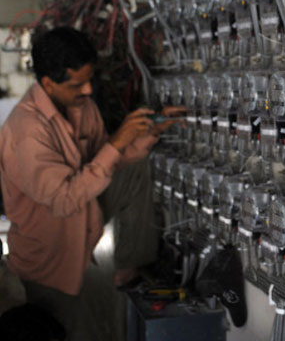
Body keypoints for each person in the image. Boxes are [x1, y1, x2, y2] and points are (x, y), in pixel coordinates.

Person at [0, 27, 182, 340]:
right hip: (49, 255)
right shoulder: (26, 131)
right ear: (48, 83)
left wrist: (148, 133)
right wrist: (117, 143)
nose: (87, 90)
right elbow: (63, 200)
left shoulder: (81, 106)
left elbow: (106, 162)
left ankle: (130, 269)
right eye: (77, 83)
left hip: (82, 209)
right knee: (69, 330)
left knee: (136, 168)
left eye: (89, 80)